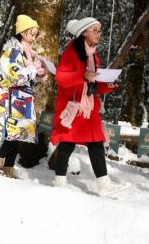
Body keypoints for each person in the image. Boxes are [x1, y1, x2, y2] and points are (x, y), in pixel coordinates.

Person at [51, 17, 125, 197]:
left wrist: (108, 85)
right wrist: (82, 74)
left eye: (100, 30)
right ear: (84, 32)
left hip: (89, 108)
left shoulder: (93, 55)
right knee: (67, 143)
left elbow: (94, 84)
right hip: (73, 106)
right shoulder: (71, 53)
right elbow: (60, 78)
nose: (99, 34)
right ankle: (59, 182)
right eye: (95, 30)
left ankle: (104, 185)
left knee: (96, 143)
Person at [0, 14, 47, 179]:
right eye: (32, 34)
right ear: (22, 32)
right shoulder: (12, 51)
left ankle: (9, 167)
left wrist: (37, 76)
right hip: (10, 98)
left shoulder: (26, 53)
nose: (34, 38)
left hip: (22, 97)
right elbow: (14, 76)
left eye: (35, 34)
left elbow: (26, 78)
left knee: (18, 134)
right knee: (15, 132)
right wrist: (32, 71)